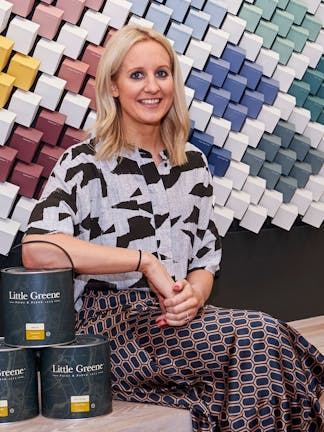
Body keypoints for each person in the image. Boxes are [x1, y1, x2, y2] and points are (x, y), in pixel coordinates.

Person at [23, 25, 323, 432]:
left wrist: (192, 298)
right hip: (108, 330)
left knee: (265, 371)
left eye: (162, 74)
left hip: (176, 324)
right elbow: (37, 250)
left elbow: (204, 261)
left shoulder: (193, 165)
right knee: (265, 336)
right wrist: (144, 261)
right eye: (137, 75)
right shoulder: (84, 163)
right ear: (113, 86)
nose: (152, 87)